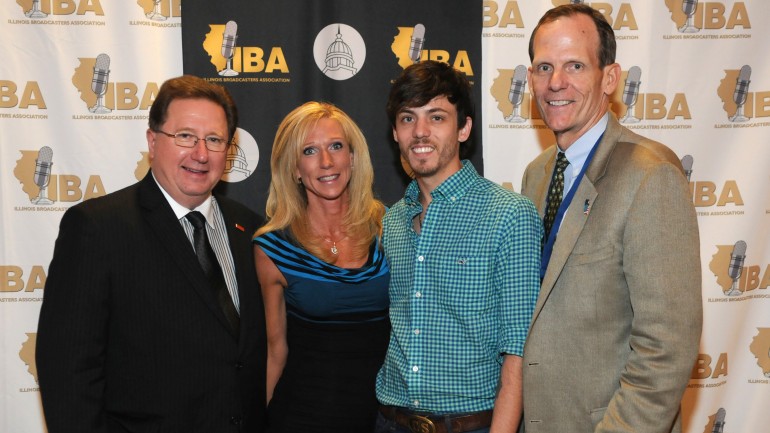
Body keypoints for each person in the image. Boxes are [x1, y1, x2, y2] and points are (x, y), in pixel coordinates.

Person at [36, 75, 267, 433]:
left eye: (214, 140)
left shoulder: (251, 229)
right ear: (152, 141)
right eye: (185, 136)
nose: (201, 153)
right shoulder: (98, 228)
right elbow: (68, 372)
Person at [520, 5, 702, 433]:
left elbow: (666, 350)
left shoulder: (651, 174)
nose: (556, 82)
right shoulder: (538, 173)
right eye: (544, 67)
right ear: (530, 80)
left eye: (575, 66)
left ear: (609, 78)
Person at [375, 60, 542, 433]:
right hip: (390, 420)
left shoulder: (509, 215)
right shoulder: (392, 222)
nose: (420, 132)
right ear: (396, 133)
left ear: (464, 128)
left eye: (436, 117)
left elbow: (518, 351)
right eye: (407, 119)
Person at [253, 101, 389, 432]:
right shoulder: (273, 249)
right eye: (310, 151)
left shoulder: (388, 228)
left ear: (353, 158)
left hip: (385, 419)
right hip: (302, 417)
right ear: (295, 169)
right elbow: (275, 350)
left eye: (336, 146)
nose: (326, 162)